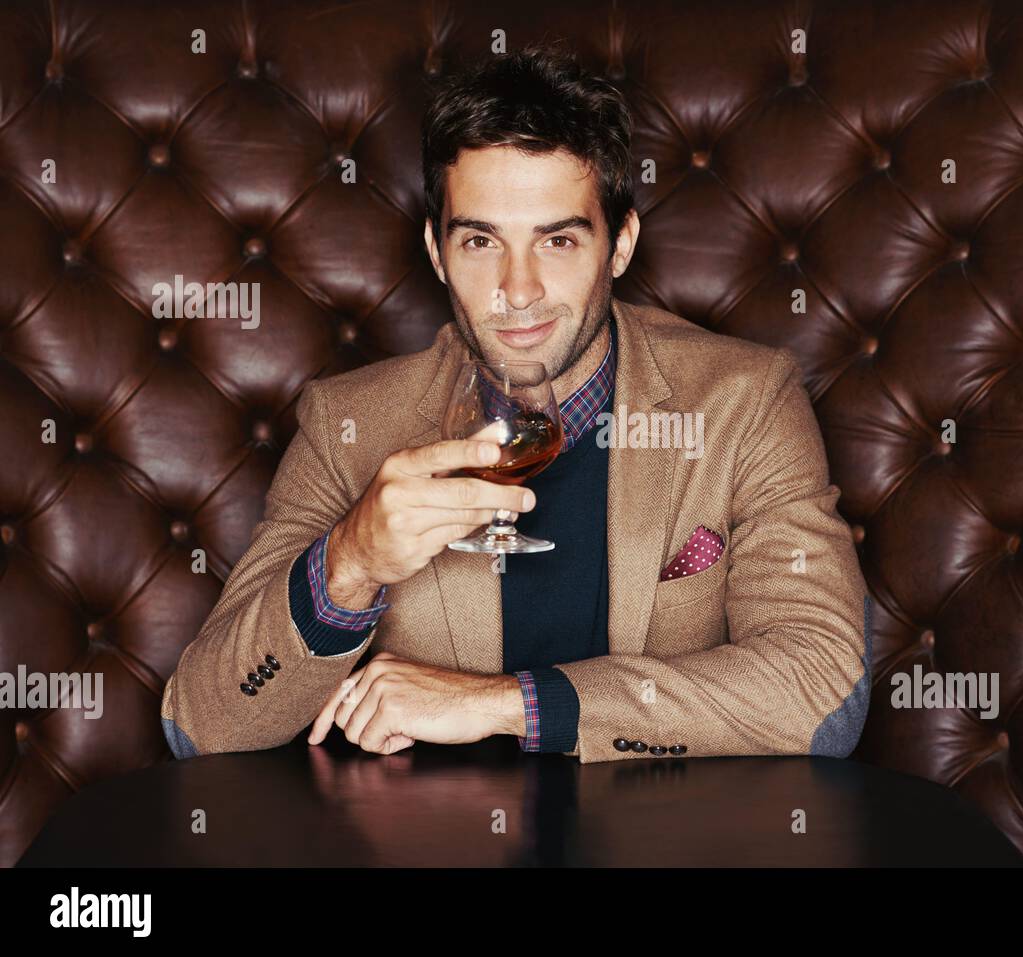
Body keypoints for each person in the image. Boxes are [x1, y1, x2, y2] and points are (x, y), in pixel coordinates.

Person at [160, 43, 871, 763]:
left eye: (558, 240)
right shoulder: (350, 426)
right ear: (437, 255)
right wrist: (350, 562)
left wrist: (506, 703)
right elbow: (200, 724)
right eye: (479, 241)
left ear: (620, 244)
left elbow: (822, 695)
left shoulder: (744, 403)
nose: (518, 289)